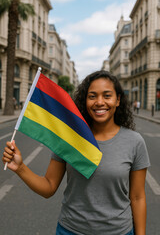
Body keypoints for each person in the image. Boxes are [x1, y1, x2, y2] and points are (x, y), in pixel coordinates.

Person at [2, 70, 150, 235]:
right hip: (70, 230)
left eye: (107, 95)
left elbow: (137, 197)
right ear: (85, 101)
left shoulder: (135, 142)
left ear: (118, 100)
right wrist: (20, 167)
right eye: (92, 96)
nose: (99, 102)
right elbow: (49, 187)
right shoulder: (69, 137)